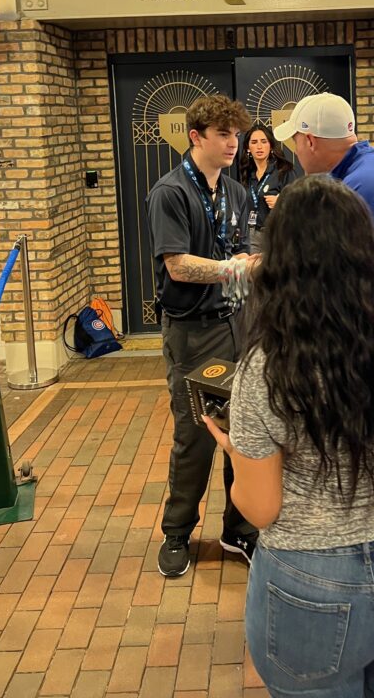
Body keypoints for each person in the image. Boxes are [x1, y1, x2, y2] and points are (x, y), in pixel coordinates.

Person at [204, 175, 374, 698]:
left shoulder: (265, 365)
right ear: (368, 247)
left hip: (308, 580)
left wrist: (234, 450)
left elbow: (261, 509)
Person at [146, 94, 258, 577]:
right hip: (194, 332)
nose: (234, 143)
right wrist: (232, 269)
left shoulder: (235, 191)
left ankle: (241, 528)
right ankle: (177, 533)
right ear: (196, 137)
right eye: (223, 135)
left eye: (236, 135)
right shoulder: (170, 193)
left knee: (246, 431)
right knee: (197, 436)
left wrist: (248, 265)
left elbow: (248, 251)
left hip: (240, 325)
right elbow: (178, 266)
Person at [274, 93, 374, 321]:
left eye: (296, 141)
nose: (297, 151)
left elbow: (363, 282)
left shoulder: (365, 187)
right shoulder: (366, 171)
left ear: (310, 141)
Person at [238, 124, 298, 253]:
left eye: (263, 142)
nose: (259, 146)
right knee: (253, 271)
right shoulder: (246, 173)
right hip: (251, 234)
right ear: (248, 148)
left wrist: (280, 202)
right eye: (254, 142)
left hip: (277, 234)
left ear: (270, 145)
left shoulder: (284, 171)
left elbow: (298, 203)